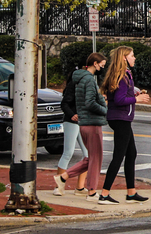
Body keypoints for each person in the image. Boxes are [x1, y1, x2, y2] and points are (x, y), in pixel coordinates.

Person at [99, 46, 150, 204]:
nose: (134, 58)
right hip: (120, 119)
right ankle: (104, 194)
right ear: (124, 58)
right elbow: (119, 100)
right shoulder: (121, 76)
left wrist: (134, 94)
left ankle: (131, 192)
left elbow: (119, 96)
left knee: (131, 153)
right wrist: (137, 99)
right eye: (132, 56)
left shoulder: (124, 75)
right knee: (118, 157)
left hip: (121, 118)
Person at [53, 53, 107, 202]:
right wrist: (72, 115)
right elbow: (67, 103)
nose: (102, 68)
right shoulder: (81, 81)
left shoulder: (84, 80)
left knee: (88, 156)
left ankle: (78, 186)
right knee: (69, 152)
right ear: (93, 64)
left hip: (83, 121)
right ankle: (60, 185)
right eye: (101, 64)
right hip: (76, 120)